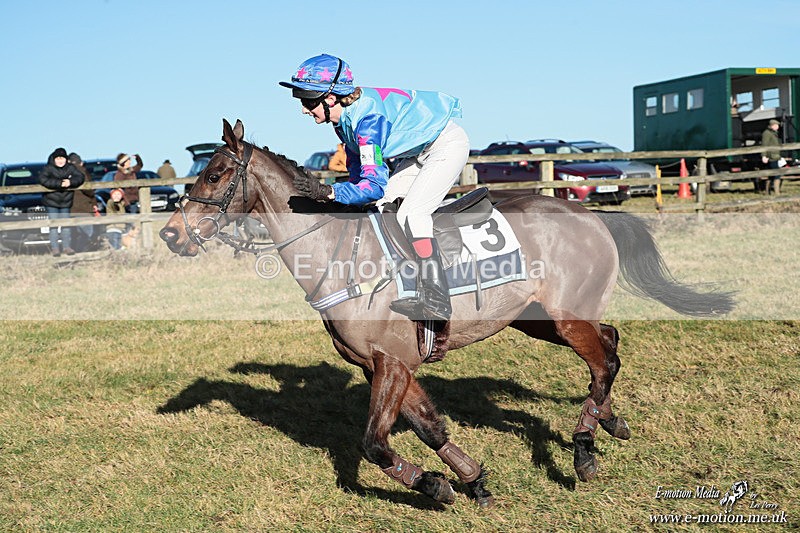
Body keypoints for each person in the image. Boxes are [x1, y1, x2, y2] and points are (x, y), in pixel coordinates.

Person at [280, 54, 469, 321]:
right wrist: (342, 196)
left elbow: (374, 185)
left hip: (445, 146)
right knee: (379, 209)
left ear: (330, 98)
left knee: (411, 216)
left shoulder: (368, 121)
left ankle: (437, 300)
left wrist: (330, 192)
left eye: (307, 100)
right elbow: (360, 174)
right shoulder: (343, 121)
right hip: (416, 154)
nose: (303, 109)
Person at [38, 147, 85, 256]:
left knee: (66, 225)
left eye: (62, 158)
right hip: (51, 201)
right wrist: (59, 183)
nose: (60, 161)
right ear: (54, 159)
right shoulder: (48, 168)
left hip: (66, 201)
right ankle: (55, 248)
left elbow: (80, 177)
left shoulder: (70, 168)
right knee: (53, 225)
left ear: (66, 159)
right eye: (58, 158)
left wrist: (70, 182)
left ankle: (67, 247)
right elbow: (43, 180)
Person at [68, 152, 99, 252]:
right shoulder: (81, 171)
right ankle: (86, 253)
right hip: (83, 207)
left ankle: (77, 252)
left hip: (69, 208)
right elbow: (88, 189)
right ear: (81, 163)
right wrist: (93, 201)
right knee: (87, 234)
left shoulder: (64, 172)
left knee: (76, 234)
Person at [760, 119, 782, 195]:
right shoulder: (767, 133)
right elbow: (764, 145)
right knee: (776, 173)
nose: (778, 126)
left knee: (772, 174)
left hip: (775, 156)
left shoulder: (774, 133)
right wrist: (764, 156)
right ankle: (776, 192)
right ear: (772, 125)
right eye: (776, 125)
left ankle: (768, 191)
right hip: (771, 156)